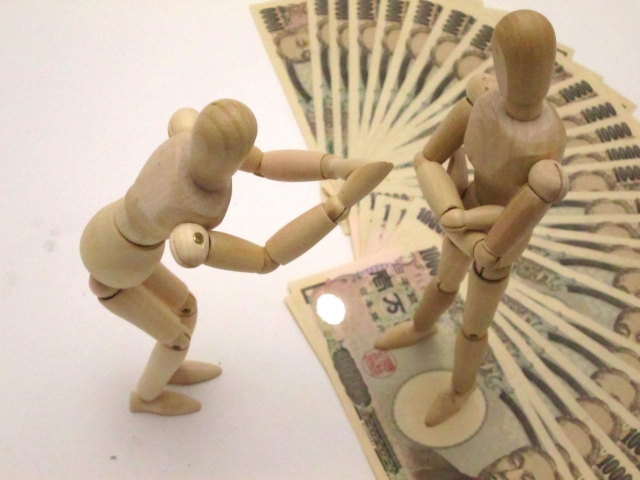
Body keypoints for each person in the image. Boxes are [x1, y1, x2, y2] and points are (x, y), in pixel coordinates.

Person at [80, 99, 392, 415]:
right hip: (118, 271)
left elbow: (264, 162)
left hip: (109, 233)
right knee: (176, 340)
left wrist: (335, 166)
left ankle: (169, 367)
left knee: (187, 307)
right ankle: (146, 398)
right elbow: (265, 258)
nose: (245, 160)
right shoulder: (190, 216)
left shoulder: (184, 139)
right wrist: (335, 208)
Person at [375, 10, 568, 426]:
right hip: (463, 209)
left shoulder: (549, 139)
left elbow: (523, 212)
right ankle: (421, 327)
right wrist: (451, 210)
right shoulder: (481, 102)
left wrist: (471, 229)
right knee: (443, 282)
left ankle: (459, 390)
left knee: (474, 327)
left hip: (499, 242)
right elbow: (428, 158)